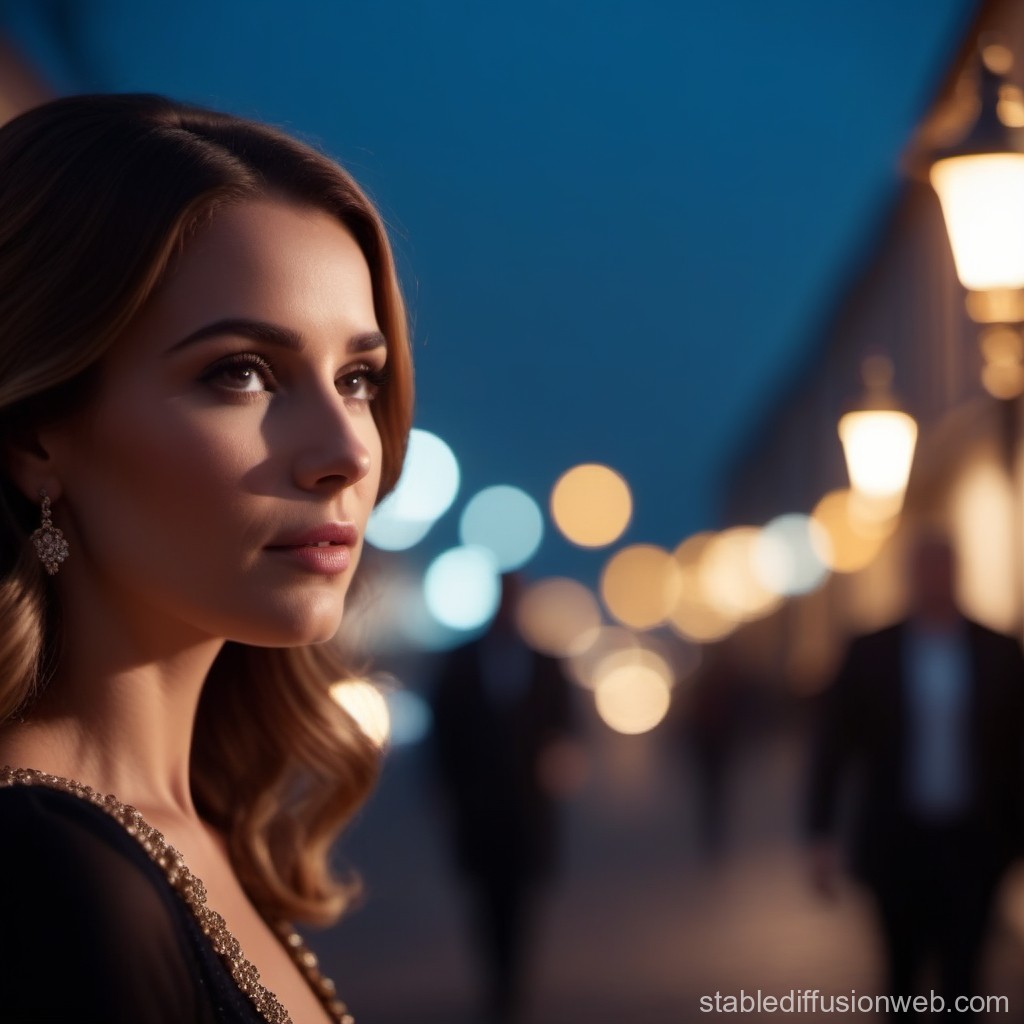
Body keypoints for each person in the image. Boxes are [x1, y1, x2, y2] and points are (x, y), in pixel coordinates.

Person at [0, 93, 413, 1023]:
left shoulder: (194, 828)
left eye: (357, 379)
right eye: (242, 372)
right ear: (35, 435)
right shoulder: (45, 873)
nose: (348, 451)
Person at [806, 533, 1024, 1019]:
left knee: (965, 978)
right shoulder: (872, 652)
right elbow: (834, 749)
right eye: (924, 570)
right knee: (900, 979)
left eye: (942, 569)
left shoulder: (999, 651)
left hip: (974, 840)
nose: (934, 581)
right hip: (897, 840)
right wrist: (821, 833)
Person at [430, 573, 577, 1024]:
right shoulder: (462, 662)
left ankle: (513, 987)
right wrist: (451, 792)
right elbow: (444, 734)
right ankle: (497, 985)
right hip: (480, 811)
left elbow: (566, 726)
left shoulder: (546, 663)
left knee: (522, 903)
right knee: (486, 902)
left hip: (529, 812)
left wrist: (559, 764)